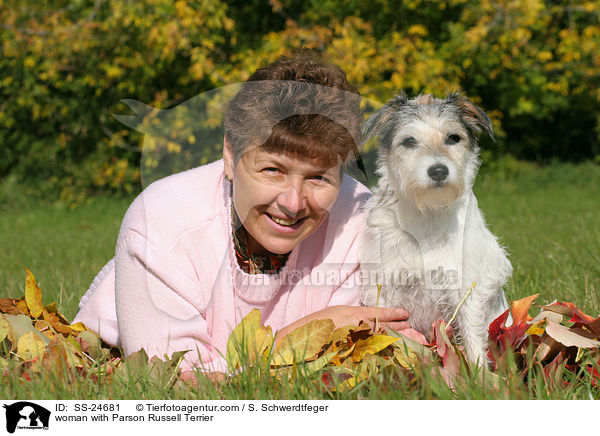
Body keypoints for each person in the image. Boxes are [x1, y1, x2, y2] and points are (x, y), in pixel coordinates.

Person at [73, 55, 413, 374]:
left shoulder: (363, 218)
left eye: (318, 177)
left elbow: (353, 358)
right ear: (230, 154)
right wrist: (308, 333)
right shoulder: (163, 222)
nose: (293, 203)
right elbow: (170, 384)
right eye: (272, 170)